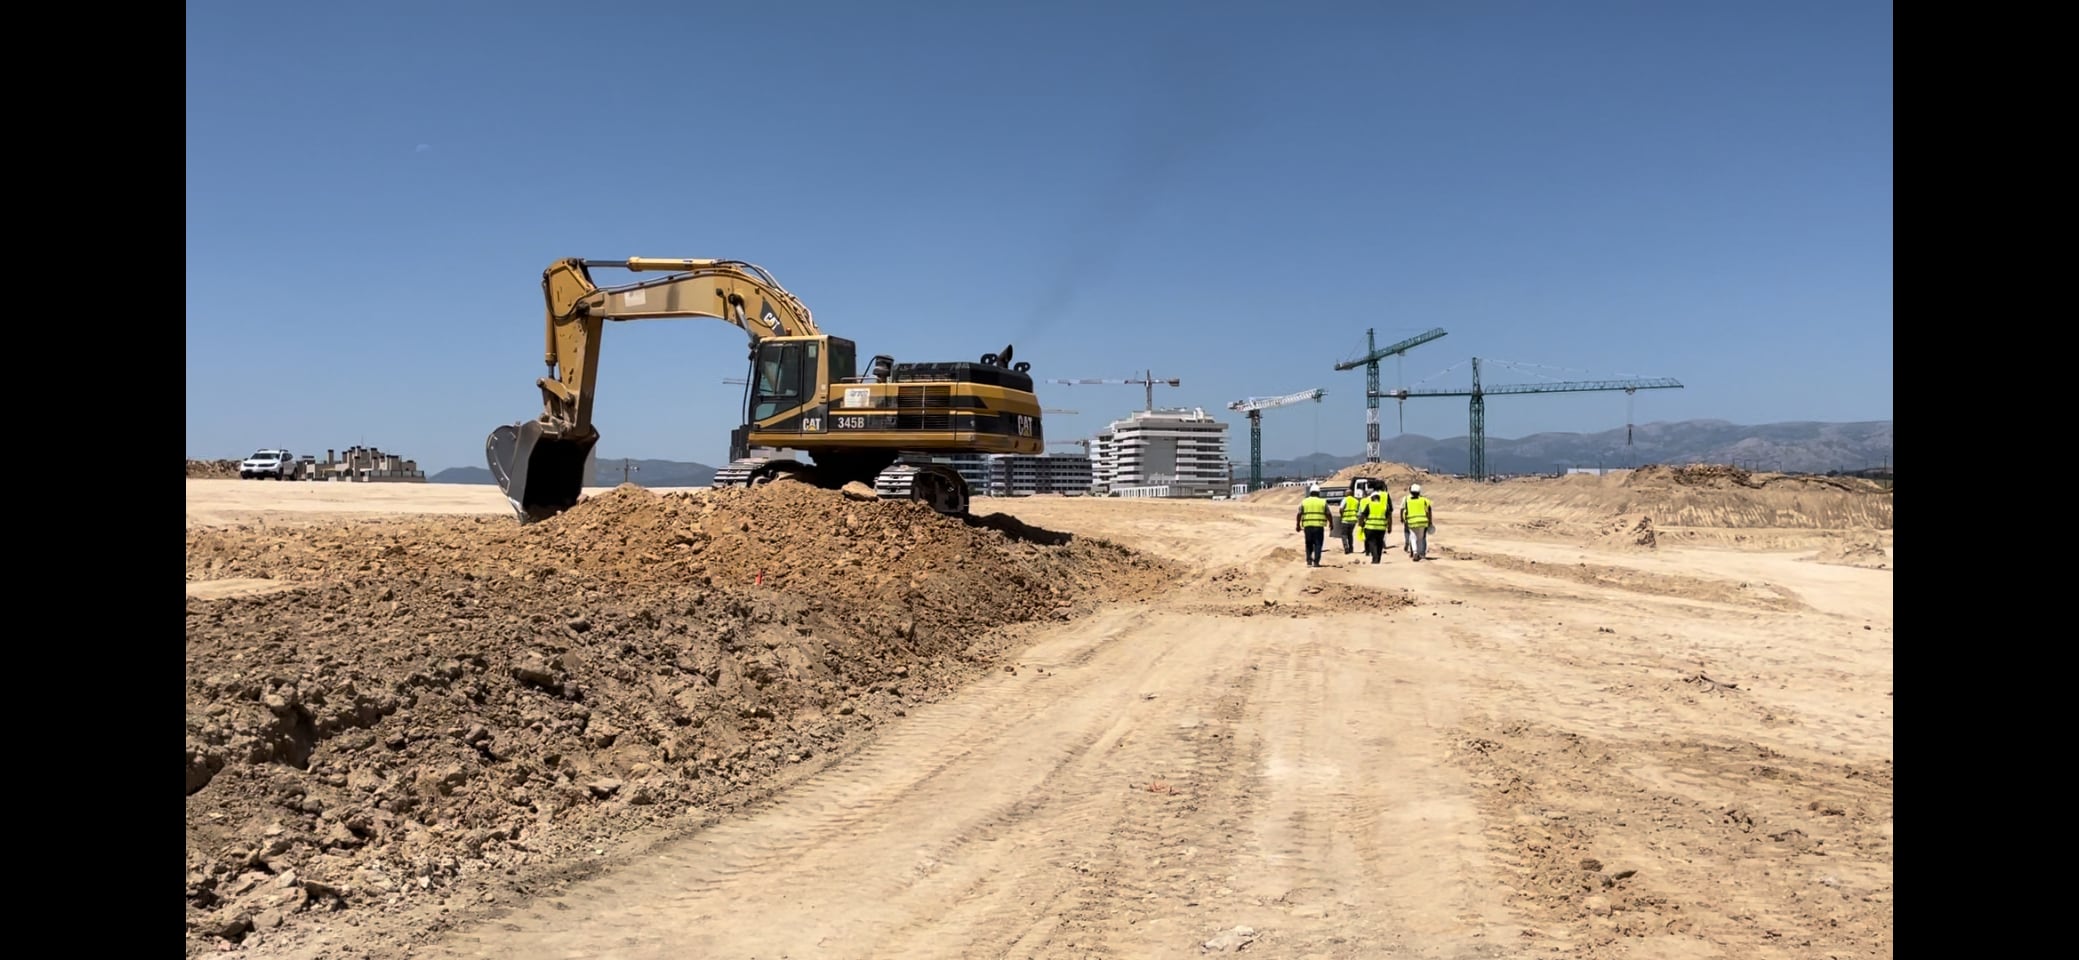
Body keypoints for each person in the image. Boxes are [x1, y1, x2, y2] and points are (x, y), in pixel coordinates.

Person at [1295, 484, 1330, 567]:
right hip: (1319, 526)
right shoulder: (1323, 502)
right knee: (1318, 544)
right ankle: (1316, 562)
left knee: (1308, 543)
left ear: (1310, 492)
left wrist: (1298, 525)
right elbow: (1328, 514)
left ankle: (1309, 561)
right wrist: (1331, 523)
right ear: (1318, 493)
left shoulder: (1304, 501)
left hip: (1308, 526)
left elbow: (1299, 514)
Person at [1402, 483, 1435, 561]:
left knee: (1413, 537)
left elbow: (1405, 511)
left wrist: (1404, 520)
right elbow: (1429, 510)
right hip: (1423, 522)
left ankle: (1415, 552)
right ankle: (1421, 554)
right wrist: (1430, 521)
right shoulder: (1424, 500)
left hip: (1412, 522)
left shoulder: (1407, 500)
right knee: (1420, 538)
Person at [1361, 489, 1391, 563]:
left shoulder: (1369, 505)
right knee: (1380, 543)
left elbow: (1363, 516)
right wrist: (1389, 527)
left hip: (1370, 528)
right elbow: (1389, 517)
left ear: (1371, 498)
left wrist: (1361, 525)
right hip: (1381, 528)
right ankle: (1378, 558)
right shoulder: (1385, 506)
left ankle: (1375, 558)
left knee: (1372, 543)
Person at [1338, 489, 1362, 554]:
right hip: (1353, 520)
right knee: (1350, 534)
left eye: (1345, 493)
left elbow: (1341, 508)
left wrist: (1341, 515)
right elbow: (1359, 512)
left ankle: (1346, 547)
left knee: (1344, 534)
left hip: (1345, 520)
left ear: (1348, 494)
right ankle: (1351, 548)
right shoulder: (1356, 501)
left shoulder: (1345, 499)